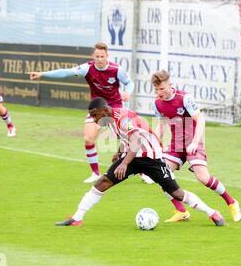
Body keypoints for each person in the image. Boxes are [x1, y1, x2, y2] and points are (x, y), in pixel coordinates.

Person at [54, 97, 226, 227]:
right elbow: (127, 139)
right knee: (103, 181)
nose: (93, 119)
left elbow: (135, 139)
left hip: (151, 158)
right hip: (132, 156)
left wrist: (123, 163)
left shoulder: (122, 117)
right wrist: (119, 152)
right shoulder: (109, 119)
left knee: (177, 193)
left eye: (94, 115)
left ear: (104, 110)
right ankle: (77, 218)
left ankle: (212, 213)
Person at [29, 42, 154, 184]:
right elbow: (66, 72)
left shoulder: (116, 69)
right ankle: (95, 173)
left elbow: (129, 83)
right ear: (93, 56)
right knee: (88, 139)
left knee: (130, 140)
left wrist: (127, 92)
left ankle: (143, 173)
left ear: (107, 56)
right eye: (97, 56)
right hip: (97, 110)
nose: (99, 59)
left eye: (102, 56)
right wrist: (42, 74)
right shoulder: (87, 68)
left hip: (115, 109)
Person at [151, 70, 241, 223]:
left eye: (162, 89)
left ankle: (231, 202)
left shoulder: (184, 98)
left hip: (193, 141)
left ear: (170, 85)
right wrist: (152, 143)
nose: (159, 93)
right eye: (156, 90)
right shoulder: (157, 103)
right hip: (176, 144)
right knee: (161, 175)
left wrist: (194, 142)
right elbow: (162, 125)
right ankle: (181, 211)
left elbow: (200, 120)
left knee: (203, 178)